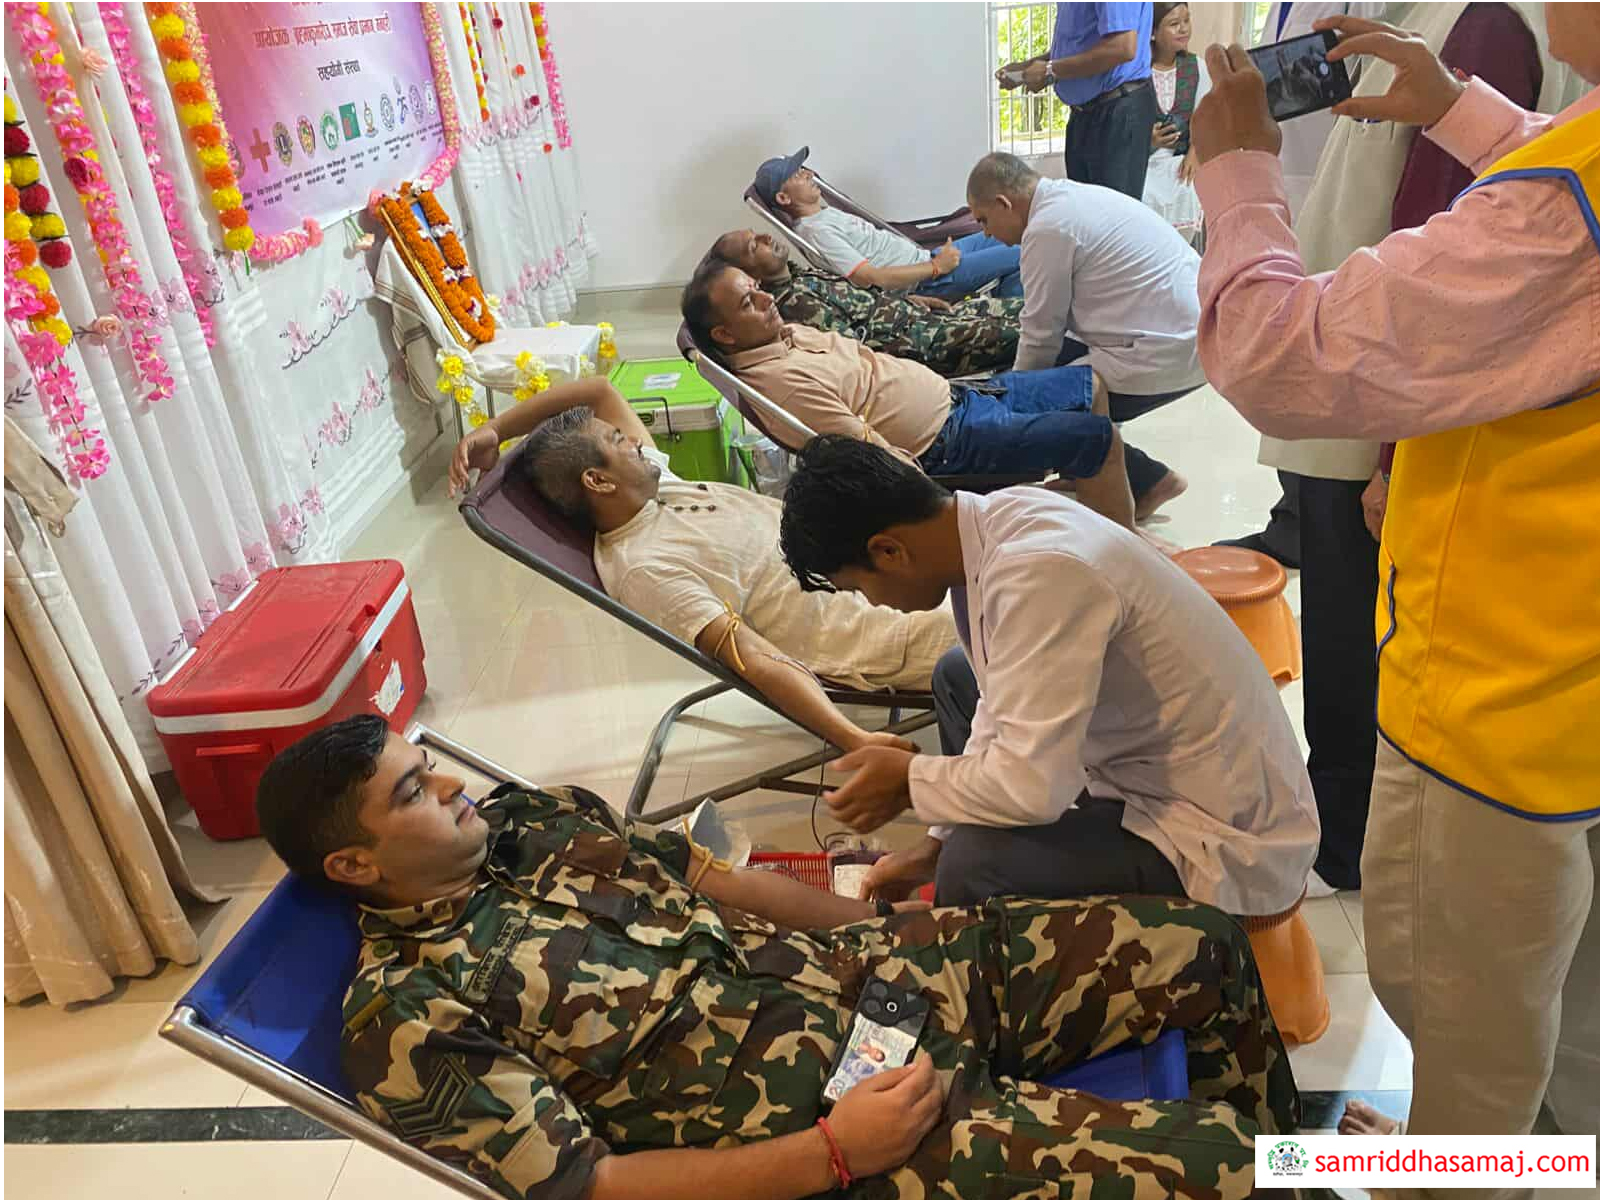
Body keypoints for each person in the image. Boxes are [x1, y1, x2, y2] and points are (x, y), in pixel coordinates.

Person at [255, 714, 1303, 1200]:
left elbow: (721, 883)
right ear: (354, 864)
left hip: (884, 980)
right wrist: (837, 1153)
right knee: (1229, 1170)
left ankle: (1324, 1163)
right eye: (414, 792)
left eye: (428, 766)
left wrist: (873, 925)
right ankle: (1356, 1174)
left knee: (1201, 945)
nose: (450, 787)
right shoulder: (412, 1014)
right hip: (841, 1127)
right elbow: (590, 1186)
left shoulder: (533, 821)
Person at [1189, 8, 1599, 1161]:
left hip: (1499, 698)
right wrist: (1465, 116)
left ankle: (1448, 1170)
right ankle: (1547, 1148)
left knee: (1466, 1016)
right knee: (1572, 1004)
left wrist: (1236, 174)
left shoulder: (1559, 211)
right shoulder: (1567, 171)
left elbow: (1280, 356)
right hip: (1571, 674)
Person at [1219, 2, 1557, 897]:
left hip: (1381, 416)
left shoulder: (1486, 22)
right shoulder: (1440, 23)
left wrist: (1234, 172)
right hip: (1377, 411)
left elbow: (1443, 273)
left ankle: (1351, 839)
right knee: (1353, 637)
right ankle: (1354, 826)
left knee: (1356, 644)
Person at [775, 435, 1319, 921]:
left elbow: (1033, 790)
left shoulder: (1040, 571)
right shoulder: (996, 522)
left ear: (889, 551)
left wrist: (910, 783)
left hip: (1224, 831)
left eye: (859, 588)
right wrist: (932, 845)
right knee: (958, 678)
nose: (874, 604)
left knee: (975, 866)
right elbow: (999, 707)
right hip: (1152, 768)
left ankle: (987, 983)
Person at [448, 378, 954, 756]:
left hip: (890, 571)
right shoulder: (646, 567)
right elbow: (751, 658)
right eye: (619, 441)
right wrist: (852, 738)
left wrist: (493, 429)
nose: (636, 441)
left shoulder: (658, 487)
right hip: (889, 630)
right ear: (598, 482)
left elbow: (598, 390)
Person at [681, 259, 1140, 527]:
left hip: (963, 398)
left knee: (1092, 383)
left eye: (758, 289)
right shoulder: (782, 385)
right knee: (1100, 440)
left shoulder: (786, 334)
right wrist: (934, 509)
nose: (767, 300)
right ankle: (1127, 557)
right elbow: (863, 450)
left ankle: (1099, 499)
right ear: (724, 334)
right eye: (749, 302)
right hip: (948, 444)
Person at [965, 151, 1205, 517]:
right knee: (1053, 370)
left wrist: (1015, 405)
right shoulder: (1074, 197)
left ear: (1004, 203)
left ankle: (1149, 481)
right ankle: (1085, 471)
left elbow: (1041, 333)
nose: (985, 233)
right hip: (1196, 334)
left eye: (984, 219)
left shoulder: (1048, 229)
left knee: (1050, 397)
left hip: (1164, 349)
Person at [707, 229, 1023, 377]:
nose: (766, 237)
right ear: (749, 275)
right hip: (926, 344)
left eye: (758, 234)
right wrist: (910, 324)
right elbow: (856, 356)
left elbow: (862, 303)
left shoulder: (801, 275)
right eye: (754, 247)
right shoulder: (794, 305)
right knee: (1032, 331)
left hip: (924, 317)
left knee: (1031, 310)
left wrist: (908, 301)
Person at [753, 148, 1022, 300]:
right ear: (783, 198)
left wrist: (935, 261)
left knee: (1020, 233)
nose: (810, 174)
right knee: (1025, 252)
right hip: (931, 280)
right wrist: (936, 268)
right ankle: (1019, 328)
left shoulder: (824, 215)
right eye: (798, 174)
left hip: (930, 258)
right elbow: (870, 278)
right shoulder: (817, 232)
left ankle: (1010, 310)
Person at [998, 3, 1157, 198]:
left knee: (1111, 210)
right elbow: (1080, 46)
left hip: (1118, 110)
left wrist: (1050, 70)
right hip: (1085, 114)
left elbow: (1122, 47)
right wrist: (1028, 68)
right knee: (1084, 209)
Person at [1142, 3, 1211, 243]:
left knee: (1190, 186)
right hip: (1143, 164)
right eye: (1174, 24)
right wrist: (1148, 140)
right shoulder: (1138, 72)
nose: (1184, 29)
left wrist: (1194, 152)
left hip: (1181, 161)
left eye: (1186, 20)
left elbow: (1205, 117)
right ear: (1153, 32)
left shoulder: (1197, 67)